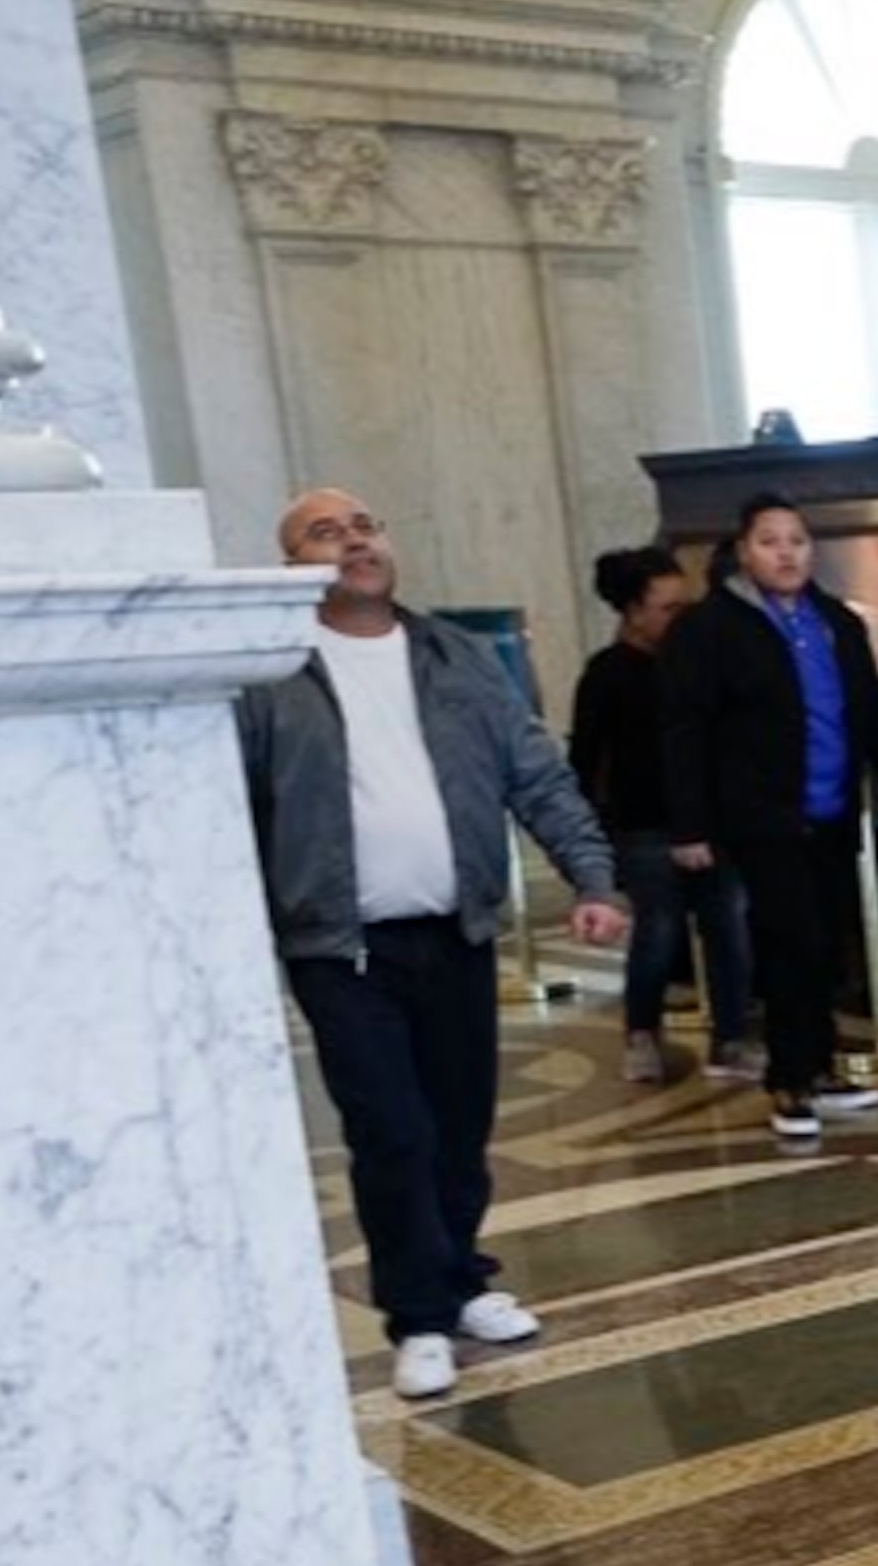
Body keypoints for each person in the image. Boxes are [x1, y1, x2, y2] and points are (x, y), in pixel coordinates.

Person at [236, 487, 632, 1401]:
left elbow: (537, 774)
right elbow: (228, 807)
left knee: (459, 1126)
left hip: (454, 934)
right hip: (340, 947)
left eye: (365, 525)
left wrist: (593, 877)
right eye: (323, 534)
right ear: (292, 564)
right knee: (392, 1132)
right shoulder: (269, 674)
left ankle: (459, 1283)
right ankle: (416, 1315)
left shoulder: (455, 656)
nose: (353, 544)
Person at [655, 493, 878, 1141]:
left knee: (827, 944)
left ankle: (822, 1064)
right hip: (760, 814)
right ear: (744, 551)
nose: (786, 553)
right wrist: (690, 824)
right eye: (770, 541)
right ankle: (790, 1077)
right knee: (791, 942)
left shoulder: (836, 621)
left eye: (798, 541)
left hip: (832, 808)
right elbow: (685, 729)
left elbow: (871, 716)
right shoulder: (710, 628)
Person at [568, 543, 759, 1087]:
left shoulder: (697, 665)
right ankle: (641, 1032)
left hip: (712, 818)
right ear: (633, 612)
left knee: (729, 925)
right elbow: (585, 759)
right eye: (668, 608)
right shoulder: (607, 674)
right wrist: (593, 846)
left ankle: (731, 1037)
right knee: (658, 929)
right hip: (644, 824)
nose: (682, 618)